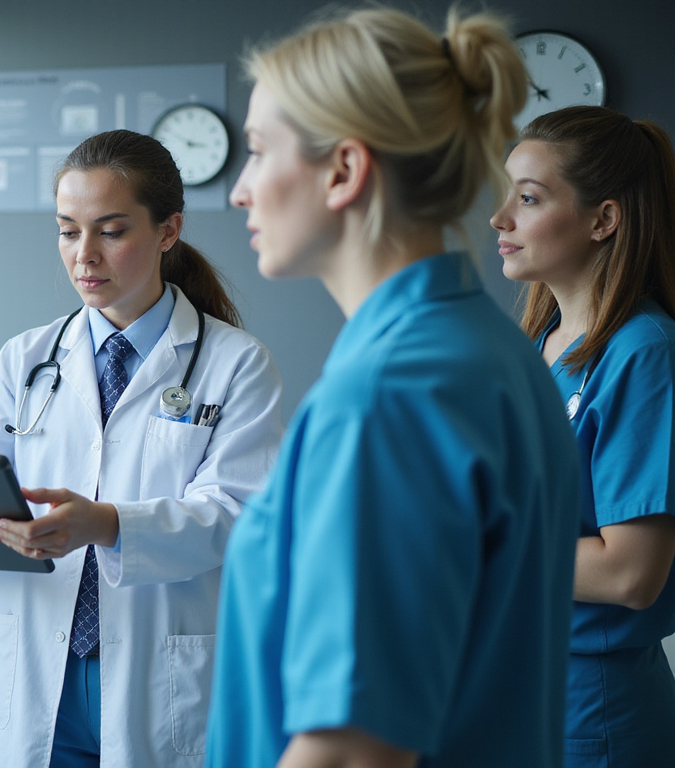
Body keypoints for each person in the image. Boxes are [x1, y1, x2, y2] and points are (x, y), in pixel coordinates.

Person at [207, 8, 582, 768]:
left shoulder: (389, 394)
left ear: (344, 171)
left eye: (259, 152)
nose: (241, 191)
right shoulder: (488, 348)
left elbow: (352, 750)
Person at [0, 128, 285, 768]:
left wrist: (107, 525)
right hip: (35, 675)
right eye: (67, 230)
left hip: (158, 681)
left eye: (111, 231)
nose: (84, 255)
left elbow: (241, 515)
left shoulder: (236, 364)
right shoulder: (26, 359)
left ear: (168, 231)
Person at [491, 105, 675, 768]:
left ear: (604, 219)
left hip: (595, 709)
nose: (500, 219)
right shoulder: (539, 345)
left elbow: (631, 573)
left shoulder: (643, 352)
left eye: (528, 198)